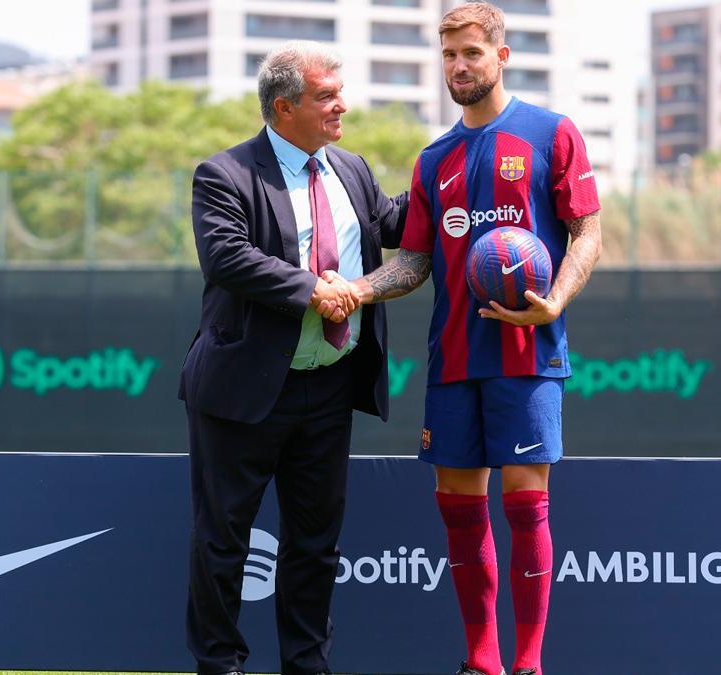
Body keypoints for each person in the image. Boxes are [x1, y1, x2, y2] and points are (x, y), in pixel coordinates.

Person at [343, 4, 602, 674]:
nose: (459, 66)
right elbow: (416, 261)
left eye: (471, 54)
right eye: (449, 55)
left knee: (523, 503)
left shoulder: (551, 134)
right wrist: (358, 288)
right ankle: (482, 662)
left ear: (501, 55)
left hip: (528, 354)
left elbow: (588, 234)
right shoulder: (434, 159)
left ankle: (528, 663)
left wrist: (556, 302)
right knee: (459, 512)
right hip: (453, 358)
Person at [179, 41, 408, 675]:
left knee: (315, 545)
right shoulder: (224, 174)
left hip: (329, 389)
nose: (343, 106)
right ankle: (219, 665)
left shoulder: (352, 168)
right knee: (222, 541)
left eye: (341, 92)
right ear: (284, 106)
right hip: (243, 390)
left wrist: (453, 166)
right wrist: (314, 291)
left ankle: (307, 668)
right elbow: (226, 257)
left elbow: (391, 223)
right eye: (327, 97)